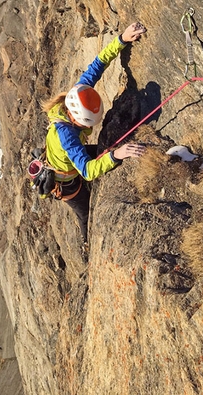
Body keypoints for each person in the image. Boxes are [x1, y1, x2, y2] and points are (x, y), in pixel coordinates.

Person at [41, 22, 147, 250]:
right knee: (84, 212)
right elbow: (87, 171)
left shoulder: (78, 94)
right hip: (67, 183)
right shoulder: (67, 135)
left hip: (68, 160)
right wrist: (117, 155)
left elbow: (97, 65)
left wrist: (122, 39)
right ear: (76, 118)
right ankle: (86, 243)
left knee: (100, 153)